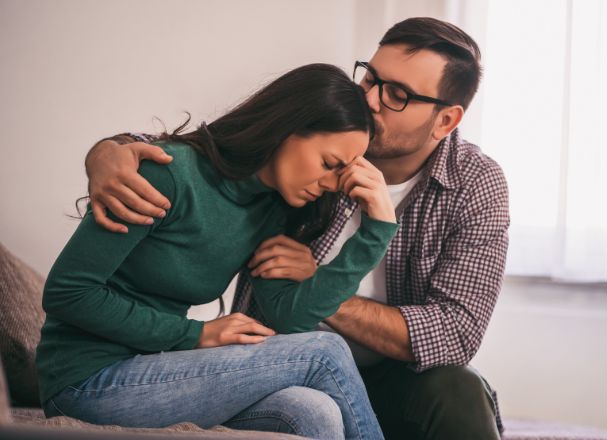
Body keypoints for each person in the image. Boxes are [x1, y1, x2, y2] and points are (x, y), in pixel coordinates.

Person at [85, 17, 509, 440]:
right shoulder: (316, 141)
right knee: (314, 389)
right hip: (274, 364)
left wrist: (319, 283)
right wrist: (109, 151)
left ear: (446, 120)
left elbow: (454, 334)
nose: (372, 101)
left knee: (458, 390)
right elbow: (214, 149)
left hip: (393, 381)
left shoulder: (474, 184)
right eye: (370, 79)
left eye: (397, 95)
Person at [37, 63, 400, 440]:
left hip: (158, 371)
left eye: (339, 176)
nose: (329, 185)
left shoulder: (272, 209)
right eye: (328, 164)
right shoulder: (169, 175)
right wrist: (194, 335)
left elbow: (290, 321)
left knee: (314, 411)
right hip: (86, 383)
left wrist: (376, 232)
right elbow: (67, 293)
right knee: (324, 352)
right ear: (286, 129)